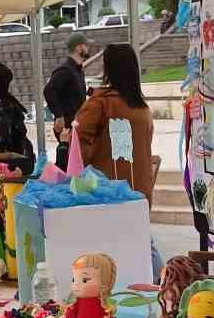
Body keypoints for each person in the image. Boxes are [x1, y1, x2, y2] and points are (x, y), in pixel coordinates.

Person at [75, 42, 155, 203]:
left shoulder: (100, 103)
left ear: (108, 69)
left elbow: (77, 142)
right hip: (140, 195)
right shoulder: (143, 108)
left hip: (107, 195)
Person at [44, 32, 92, 169]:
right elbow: (49, 90)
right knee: (70, 167)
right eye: (86, 45)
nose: (88, 48)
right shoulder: (66, 70)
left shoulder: (77, 71)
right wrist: (59, 115)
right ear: (78, 48)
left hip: (76, 125)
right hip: (68, 128)